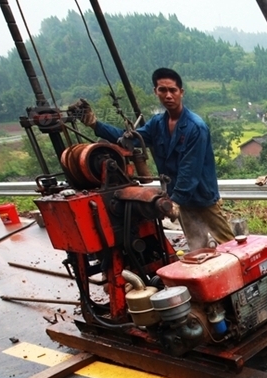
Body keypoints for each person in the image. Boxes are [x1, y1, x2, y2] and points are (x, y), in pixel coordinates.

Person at [81, 67, 234, 251]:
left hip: (202, 198)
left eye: (172, 90)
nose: (168, 95)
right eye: (162, 90)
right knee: (198, 249)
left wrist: (175, 201)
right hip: (181, 200)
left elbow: (190, 169)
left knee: (230, 246)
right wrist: (95, 124)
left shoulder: (195, 127)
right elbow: (129, 139)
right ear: (156, 92)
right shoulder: (157, 124)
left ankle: (248, 278)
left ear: (181, 92)